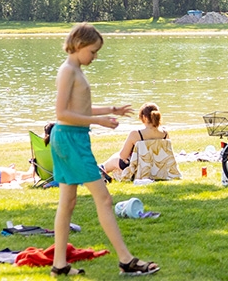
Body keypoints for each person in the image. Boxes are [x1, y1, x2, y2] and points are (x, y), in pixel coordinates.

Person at [50, 23, 159, 276]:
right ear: (79, 45)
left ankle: (59, 265)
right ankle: (126, 260)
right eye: (93, 51)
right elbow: (62, 113)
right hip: (70, 140)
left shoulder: (74, 70)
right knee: (104, 198)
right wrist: (98, 121)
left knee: (68, 202)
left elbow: (79, 108)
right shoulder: (67, 71)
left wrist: (111, 110)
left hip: (72, 138)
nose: (95, 57)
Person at [101, 102, 169, 178]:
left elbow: (123, 156)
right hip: (157, 168)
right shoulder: (165, 133)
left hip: (137, 169)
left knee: (116, 158)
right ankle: (102, 168)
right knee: (116, 156)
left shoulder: (136, 134)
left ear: (144, 117)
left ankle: (102, 169)